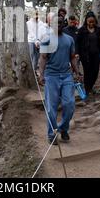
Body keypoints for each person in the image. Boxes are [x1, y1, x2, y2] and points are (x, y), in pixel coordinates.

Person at [38, 15, 82, 145]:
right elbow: (43, 58)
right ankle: (51, 134)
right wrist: (41, 75)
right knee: (51, 107)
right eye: (56, 23)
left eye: (61, 22)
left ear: (64, 24)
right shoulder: (46, 39)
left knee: (69, 104)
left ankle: (63, 128)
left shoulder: (69, 39)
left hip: (66, 75)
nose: (59, 25)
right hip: (51, 76)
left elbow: (72, 57)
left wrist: (77, 72)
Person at [77, 11, 100, 96]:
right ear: (86, 21)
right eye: (89, 22)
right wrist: (77, 53)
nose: (91, 23)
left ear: (95, 21)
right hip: (85, 55)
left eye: (92, 22)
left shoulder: (98, 29)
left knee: (95, 72)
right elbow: (77, 42)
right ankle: (87, 89)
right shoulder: (82, 30)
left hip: (96, 55)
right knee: (87, 72)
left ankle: (90, 87)